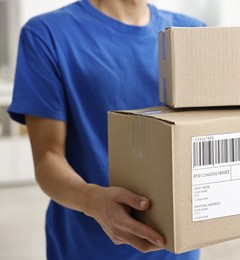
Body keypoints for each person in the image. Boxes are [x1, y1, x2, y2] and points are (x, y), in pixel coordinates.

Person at [8, 0, 205, 259]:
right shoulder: (47, 34)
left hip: (178, 250)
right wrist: (93, 201)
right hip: (88, 248)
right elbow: (48, 159)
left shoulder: (191, 34)